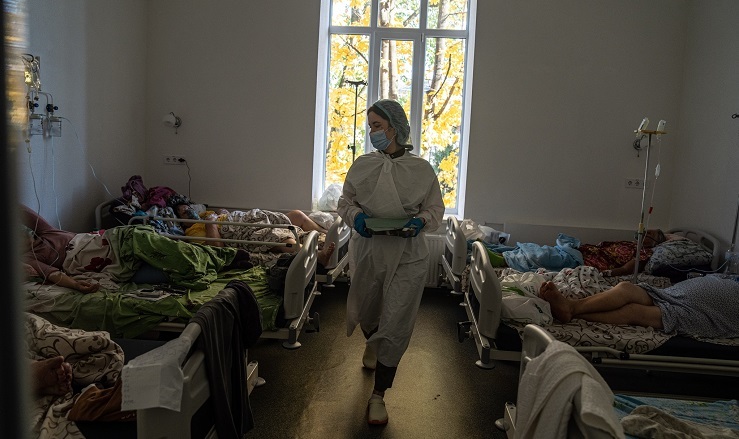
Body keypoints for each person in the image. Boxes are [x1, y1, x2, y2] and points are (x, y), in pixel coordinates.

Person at [337, 99, 444, 425]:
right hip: (369, 251)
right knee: (367, 309)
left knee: (396, 321)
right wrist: (356, 218)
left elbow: (435, 209)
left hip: (408, 256)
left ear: (394, 128)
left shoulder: (421, 170)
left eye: (377, 126)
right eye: (370, 126)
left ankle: (378, 395)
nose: (373, 133)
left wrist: (420, 222)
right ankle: (373, 342)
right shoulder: (362, 165)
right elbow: (345, 202)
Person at [21, 204, 249, 292]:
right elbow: (53, 275)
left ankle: (222, 257)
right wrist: (76, 285)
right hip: (112, 264)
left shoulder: (47, 232)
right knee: (172, 270)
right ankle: (217, 261)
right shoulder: (30, 258)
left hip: (118, 242)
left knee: (170, 250)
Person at [538, 275, 739, 338]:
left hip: (704, 313)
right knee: (626, 288)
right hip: (676, 293)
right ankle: (571, 306)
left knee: (634, 311)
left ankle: (572, 312)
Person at [172, 203, 335, 266]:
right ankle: (316, 255)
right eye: (184, 212)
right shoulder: (192, 232)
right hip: (237, 231)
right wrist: (211, 223)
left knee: (297, 215)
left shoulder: (205, 214)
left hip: (246, 218)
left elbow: (226, 213)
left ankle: (328, 234)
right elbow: (217, 248)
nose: (189, 211)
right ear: (181, 221)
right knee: (277, 236)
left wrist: (222, 213)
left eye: (189, 208)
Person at [581, 229, 666, 277]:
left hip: (589, 262)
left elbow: (625, 270)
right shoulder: (630, 243)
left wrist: (604, 274)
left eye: (649, 233)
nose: (644, 232)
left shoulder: (644, 252)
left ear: (654, 242)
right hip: (583, 251)